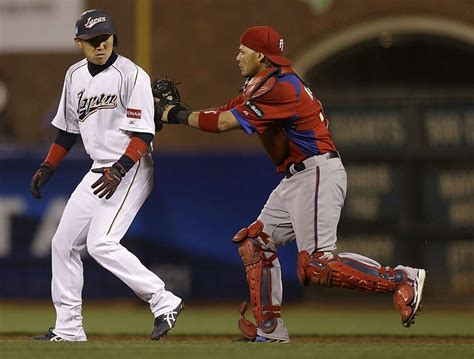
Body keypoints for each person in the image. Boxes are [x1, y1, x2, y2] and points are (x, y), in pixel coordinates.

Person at [156, 25, 426, 343]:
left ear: (260, 55)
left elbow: (223, 123)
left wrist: (172, 113)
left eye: (243, 50)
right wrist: (180, 112)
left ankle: (400, 278)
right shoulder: (262, 82)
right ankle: (271, 329)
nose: (237, 56)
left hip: (317, 172)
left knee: (317, 265)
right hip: (299, 176)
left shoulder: (281, 87)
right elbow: (226, 111)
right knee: (255, 244)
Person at [30, 9, 183, 342]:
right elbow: (66, 131)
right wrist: (48, 165)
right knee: (63, 243)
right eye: (92, 41)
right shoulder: (74, 76)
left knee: (101, 243)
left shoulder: (131, 75)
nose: (100, 46)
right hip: (99, 169)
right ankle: (69, 328)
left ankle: (163, 300)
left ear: (114, 38)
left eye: (105, 39)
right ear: (79, 43)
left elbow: (144, 134)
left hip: (131, 167)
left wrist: (120, 168)